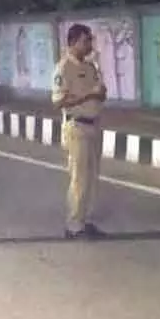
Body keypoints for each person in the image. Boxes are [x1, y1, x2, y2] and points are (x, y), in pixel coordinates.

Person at [52, 24, 107, 240]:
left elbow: (99, 94)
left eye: (90, 41)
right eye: (85, 41)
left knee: (92, 178)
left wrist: (100, 93)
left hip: (93, 125)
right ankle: (74, 225)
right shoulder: (63, 68)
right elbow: (58, 101)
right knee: (79, 178)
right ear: (73, 42)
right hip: (76, 127)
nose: (89, 45)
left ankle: (86, 220)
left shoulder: (91, 67)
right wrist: (89, 95)